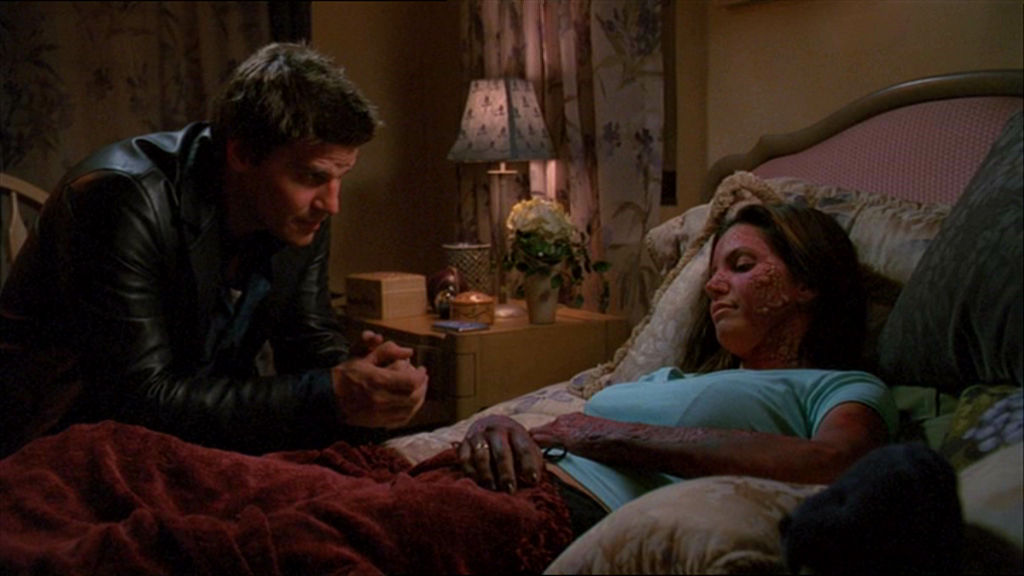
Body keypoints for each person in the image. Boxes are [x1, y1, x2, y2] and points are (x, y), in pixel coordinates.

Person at [0, 42, 428, 458]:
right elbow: (138, 401)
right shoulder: (121, 198)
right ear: (242, 153)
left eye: (340, 177)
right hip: (53, 438)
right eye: (312, 177)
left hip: (194, 437)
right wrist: (329, 392)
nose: (332, 204)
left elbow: (307, 340)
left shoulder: (296, 213)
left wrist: (365, 376)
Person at [456, 202, 899, 537]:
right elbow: (563, 431)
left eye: (742, 266)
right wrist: (498, 428)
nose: (713, 285)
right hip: (497, 480)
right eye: (713, 272)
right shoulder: (670, 380)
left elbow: (838, 463)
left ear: (807, 284)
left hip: (560, 511)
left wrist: (609, 437)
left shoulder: (840, 386)